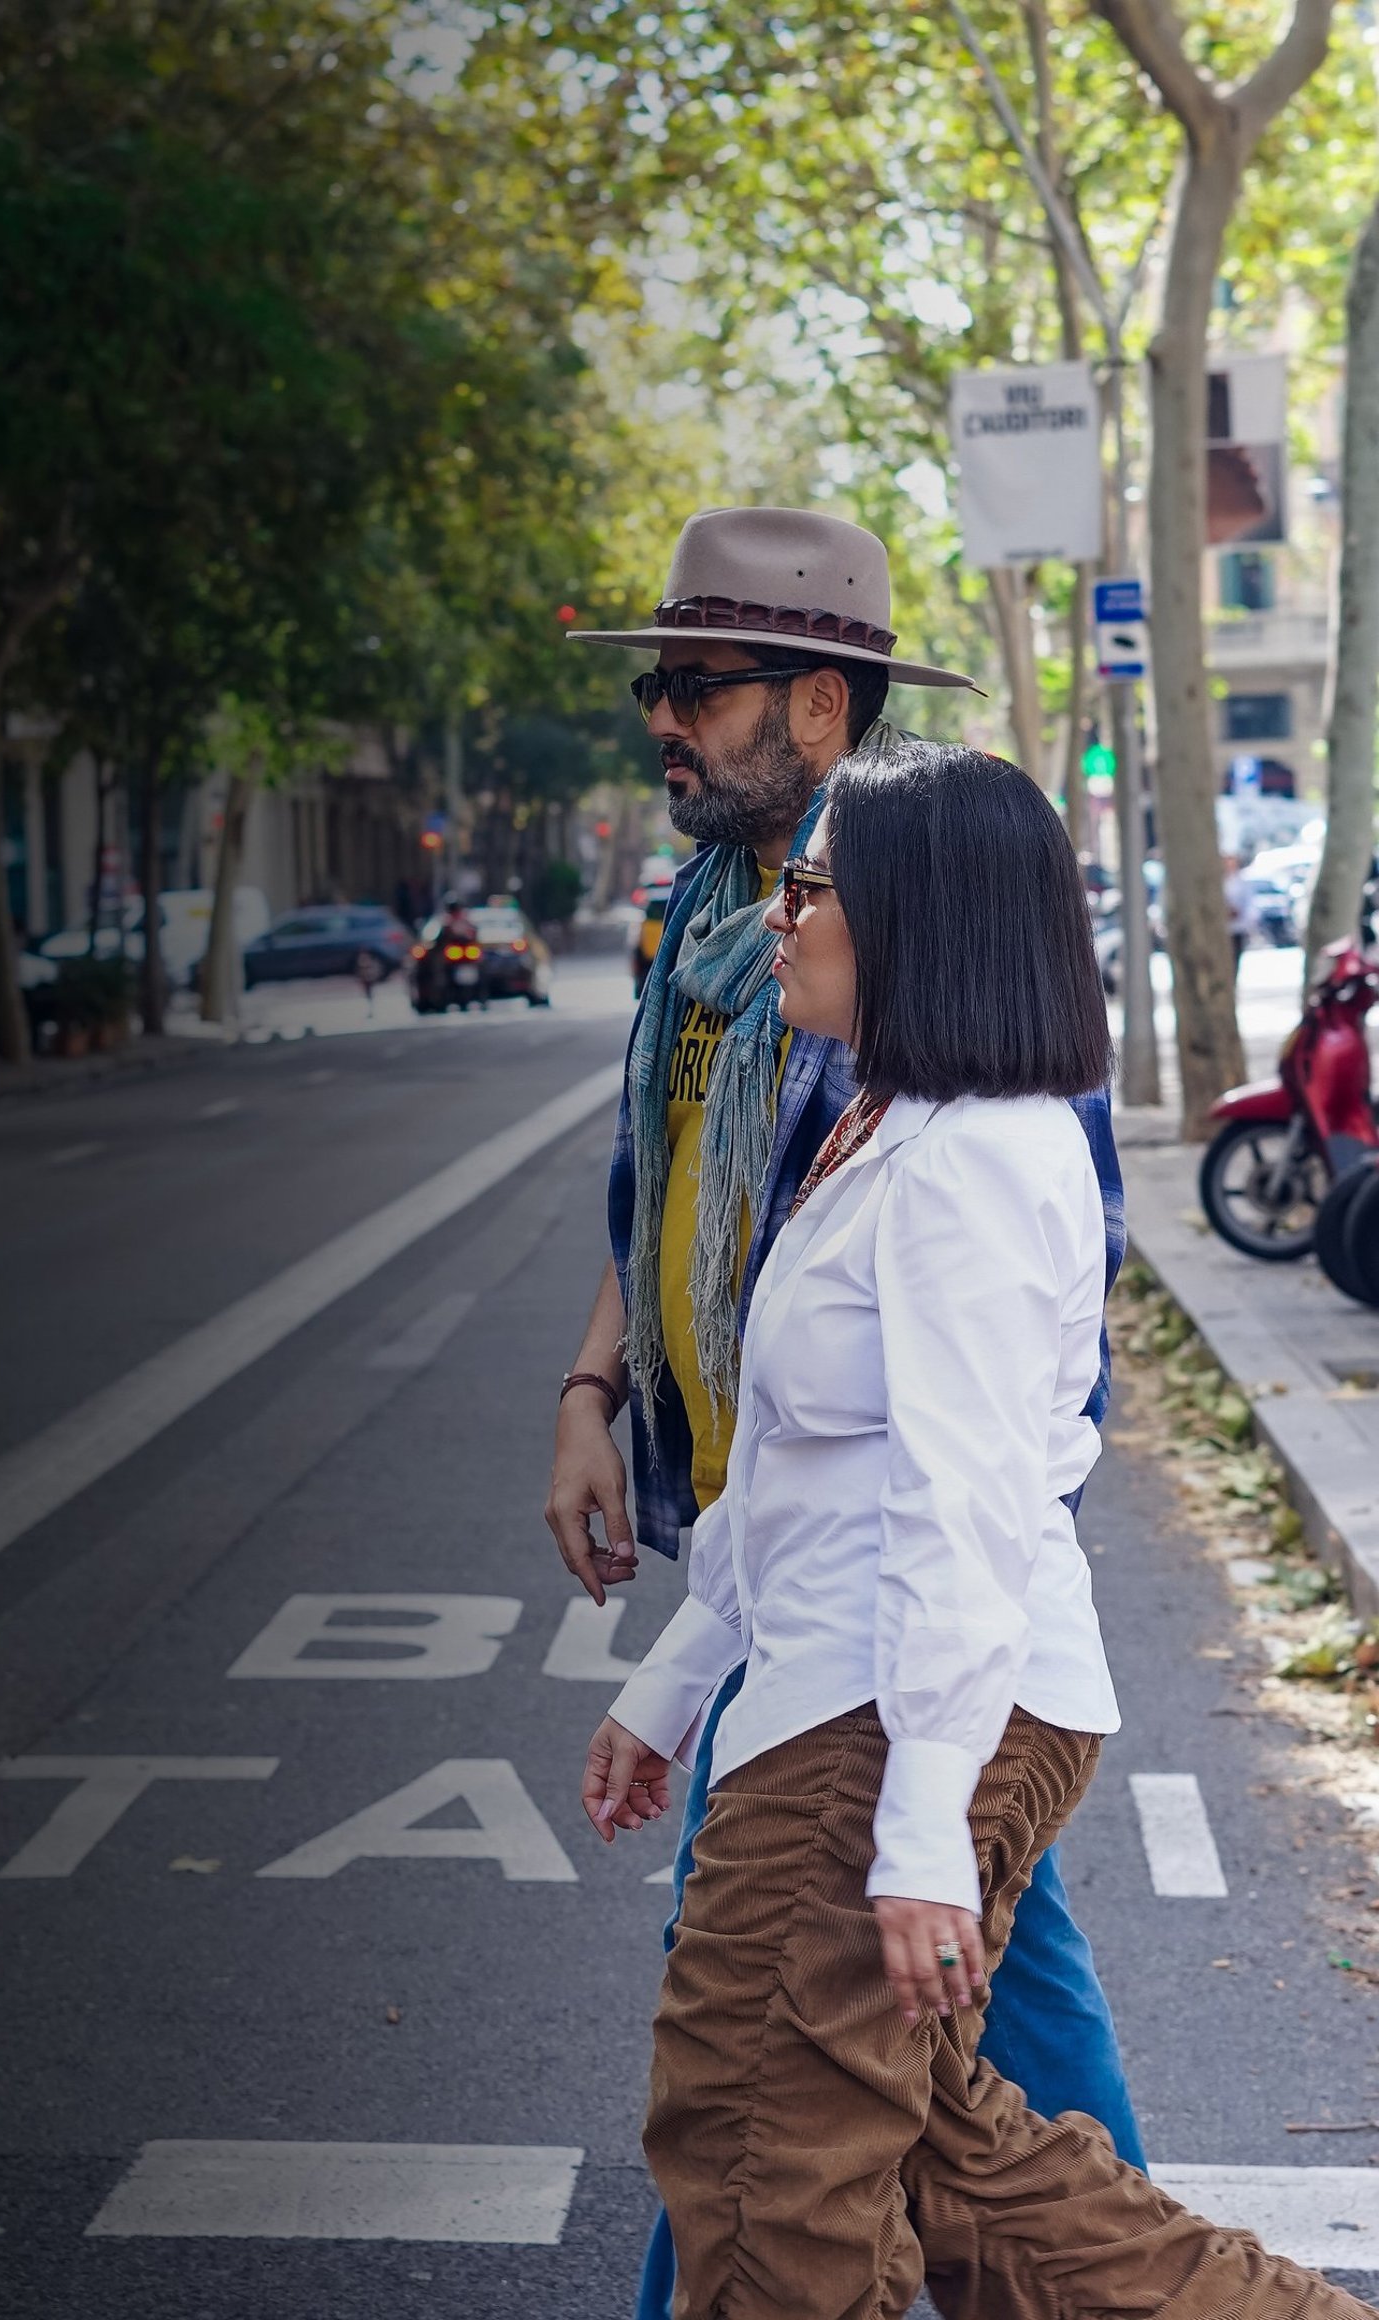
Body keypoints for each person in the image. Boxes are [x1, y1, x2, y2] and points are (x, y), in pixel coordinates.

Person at [581, 738, 1370, 2320]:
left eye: (815, 888)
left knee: (757, 2165)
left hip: (886, 1708)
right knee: (956, 2162)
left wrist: (922, 1820)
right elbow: (800, 1471)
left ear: (917, 919)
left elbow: (966, 1504)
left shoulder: (976, 1163)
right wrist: (672, 1683)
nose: (780, 916)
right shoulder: (887, 1125)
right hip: (852, 1682)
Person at [544, 508, 1142, 2314]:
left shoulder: (907, 918)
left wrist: (912, 1749)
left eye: (695, 685)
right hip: (785, 1566)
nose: (661, 715)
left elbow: (1013, 1394)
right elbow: (660, 1194)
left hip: (880, 1625)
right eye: (657, 681)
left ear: (816, 703)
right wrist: (598, 1385)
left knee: (768, 2101)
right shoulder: (723, 918)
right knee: (942, 2108)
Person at [1224, 851, 1259, 981]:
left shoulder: (1242, 881)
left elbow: (1250, 905)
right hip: (1220, 929)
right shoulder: (1218, 881)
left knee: (1234, 961)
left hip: (1237, 928)